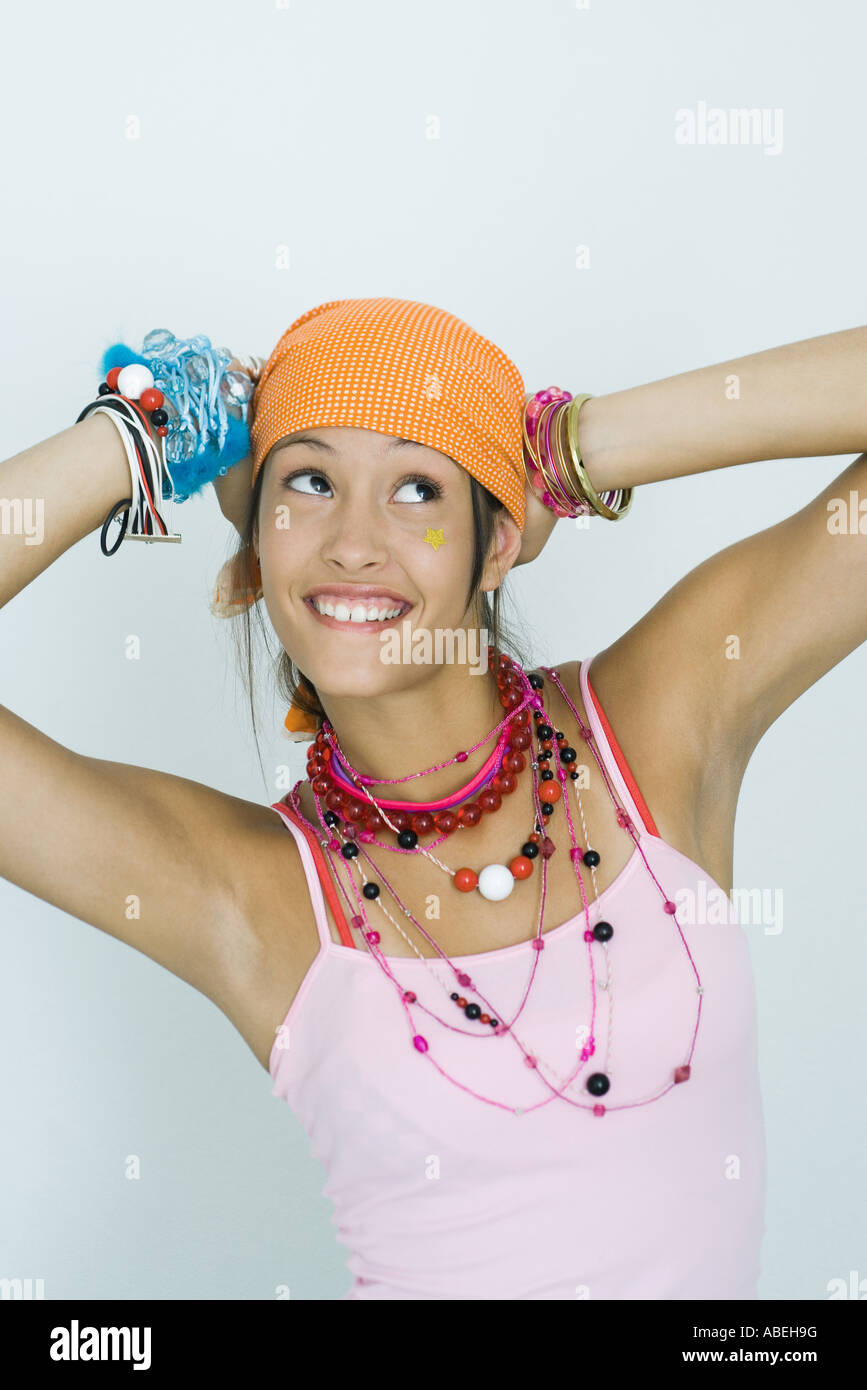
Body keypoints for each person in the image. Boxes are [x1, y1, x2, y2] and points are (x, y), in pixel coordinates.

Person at [1, 298, 865, 1301]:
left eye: (418, 488)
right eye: (310, 481)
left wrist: (570, 449)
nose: (353, 543)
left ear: (496, 546)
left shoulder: (659, 725)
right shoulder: (247, 893)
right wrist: (142, 430)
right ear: (252, 555)